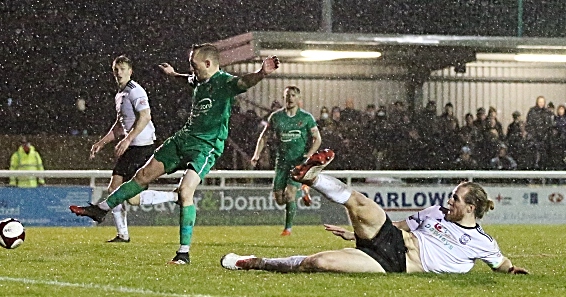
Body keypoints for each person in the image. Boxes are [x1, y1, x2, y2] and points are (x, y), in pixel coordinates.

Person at [70, 43, 280, 264]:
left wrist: (261, 73)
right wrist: (173, 75)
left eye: (194, 65)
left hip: (205, 146)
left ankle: (183, 253)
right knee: (141, 176)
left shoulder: (224, 82)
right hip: (183, 139)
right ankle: (100, 210)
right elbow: (187, 79)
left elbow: (243, 82)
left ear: (208, 64)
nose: (192, 70)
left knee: (185, 192)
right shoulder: (199, 79)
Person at [221, 149, 529, 275]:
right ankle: (310, 176)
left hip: (393, 263)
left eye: (456, 199)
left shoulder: (481, 241)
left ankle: (255, 262)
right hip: (391, 237)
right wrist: (356, 229)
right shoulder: (434, 212)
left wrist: (513, 271)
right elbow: (398, 224)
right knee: (359, 202)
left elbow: (501, 263)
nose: (449, 202)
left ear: (471, 208)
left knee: (320, 262)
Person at [84, 55, 178, 243]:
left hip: (142, 147)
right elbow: (120, 125)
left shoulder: (136, 91)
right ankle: (122, 235)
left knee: (132, 198)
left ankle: (175, 196)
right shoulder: (120, 94)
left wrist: (128, 140)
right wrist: (101, 143)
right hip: (131, 147)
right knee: (114, 189)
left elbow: (145, 117)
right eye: (116, 69)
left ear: (130, 71)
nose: (118, 72)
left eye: (122, 69)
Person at [251, 86, 322, 236]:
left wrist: (308, 155)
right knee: (280, 199)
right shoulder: (276, 117)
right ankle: (303, 191)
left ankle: (287, 229)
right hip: (281, 161)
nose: (290, 98)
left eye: (293, 95)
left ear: (299, 98)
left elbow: (317, 139)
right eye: (287, 95)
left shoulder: (306, 118)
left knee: (289, 194)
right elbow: (264, 137)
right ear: (284, 98)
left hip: (298, 162)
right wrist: (256, 154)